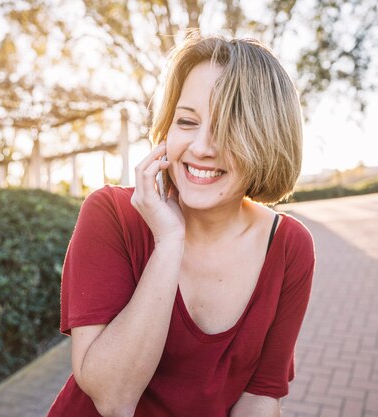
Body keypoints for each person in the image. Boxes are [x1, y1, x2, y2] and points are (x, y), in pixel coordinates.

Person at [47, 31, 315, 417]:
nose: (203, 147)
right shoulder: (110, 214)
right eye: (187, 121)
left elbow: (260, 397)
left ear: (267, 138)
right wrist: (169, 241)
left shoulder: (289, 246)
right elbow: (113, 398)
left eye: (229, 126)